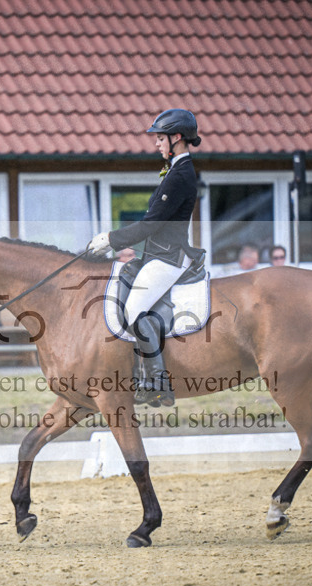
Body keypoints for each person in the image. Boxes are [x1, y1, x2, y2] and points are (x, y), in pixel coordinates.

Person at [86, 108, 204, 407]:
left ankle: (158, 383)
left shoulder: (181, 174)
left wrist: (111, 239)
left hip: (168, 258)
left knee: (135, 309)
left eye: (161, 138)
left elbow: (152, 224)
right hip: (156, 254)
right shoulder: (174, 169)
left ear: (177, 137)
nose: (156, 143)